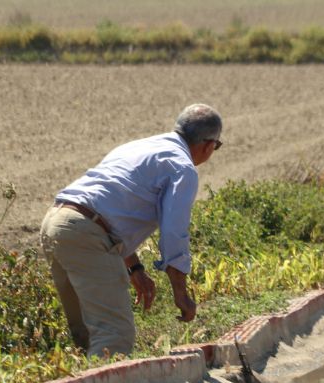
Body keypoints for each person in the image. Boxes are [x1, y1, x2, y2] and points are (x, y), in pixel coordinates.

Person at [40, 104, 223, 357]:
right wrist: (180, 293)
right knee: (114, 337)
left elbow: (111, 209)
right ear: (209, 145)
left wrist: (134, 268)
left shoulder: (137, 147)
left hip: (56, 222)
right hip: (86, 234)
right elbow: (173, 233)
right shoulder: (182, 167)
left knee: (86, 335)